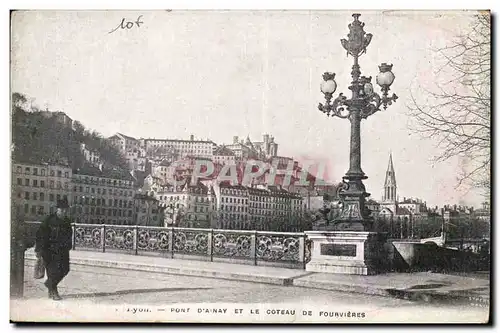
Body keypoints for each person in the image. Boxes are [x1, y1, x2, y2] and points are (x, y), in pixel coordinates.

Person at [35, 198, 73, 300]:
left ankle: (49, 284)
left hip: (62, 250)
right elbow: (40, 234)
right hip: (49, 250)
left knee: (65, 269)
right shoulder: (49, 220)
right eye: (62, 209)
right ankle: (53, 292)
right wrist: (38, 250)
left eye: (66, 210)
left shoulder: (67, 221)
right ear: (57, 209)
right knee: (52, 272)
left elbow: (69, 235)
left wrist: (68, 246)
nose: (64, 212)